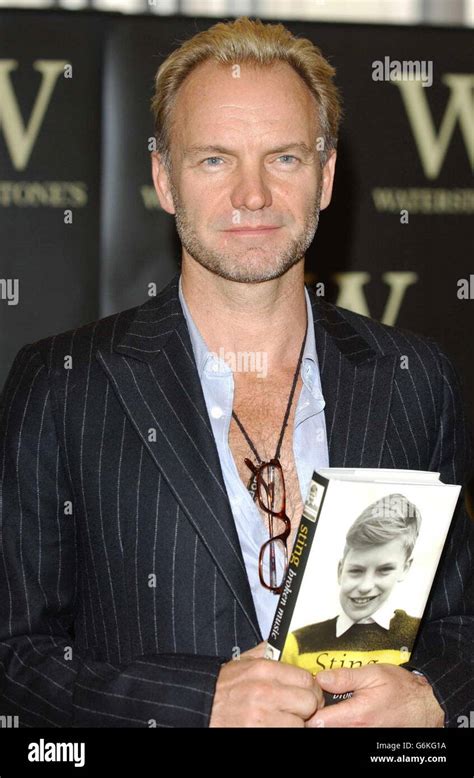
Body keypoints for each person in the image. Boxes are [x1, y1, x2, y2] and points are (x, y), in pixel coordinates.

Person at [0, 16, 473, 729]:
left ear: (326, 176)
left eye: (282, 158)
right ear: (164, 178)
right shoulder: (63, 385)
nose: (251, 196)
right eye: (214, 160)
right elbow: (14, 657)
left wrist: (435, 695)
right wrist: (194, 702)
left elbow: (461, 624)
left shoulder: (414, 380)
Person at [283, 493, 422, 671]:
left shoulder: (421, 636)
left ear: (405, 568)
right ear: (340, 570)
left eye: (384, 570)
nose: (365, 587)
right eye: (356, 571)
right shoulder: (297, 644)